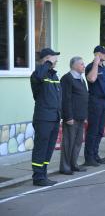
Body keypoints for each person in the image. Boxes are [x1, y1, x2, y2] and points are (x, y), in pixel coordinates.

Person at [30, 48, 61, 186]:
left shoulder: (53, 75)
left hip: (54, 117)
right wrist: (48, 63)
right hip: (43, 118)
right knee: (41, 147)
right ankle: (38, 177)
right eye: (54, 57)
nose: (56, 60)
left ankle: (44, 174)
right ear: (47, 58)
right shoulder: (38, 73)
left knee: (49, 148)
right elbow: (39, 76)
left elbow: (58, 97)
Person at [59, 57, 88, 175]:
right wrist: (68, 117)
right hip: (72, 117)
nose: (84, 66)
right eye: (81, 64)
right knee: (68, 142)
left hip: (81, 116)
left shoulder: (81, 79)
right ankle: (65, 167)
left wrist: (85, 115)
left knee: (78, 141)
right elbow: (66, 99)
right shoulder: (67, 79)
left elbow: (84, 97)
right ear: (74, 66)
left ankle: (73, 164)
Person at [84, 45, 105, 167]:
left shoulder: (104, 68)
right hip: (95, 101)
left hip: (104, 102)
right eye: (103, 53)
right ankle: (89, 158)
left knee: (100, 130)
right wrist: (95, 63)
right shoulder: (91, 67)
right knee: (93, 130)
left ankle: (95, 154)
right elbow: (92, 79)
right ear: (97, 54)